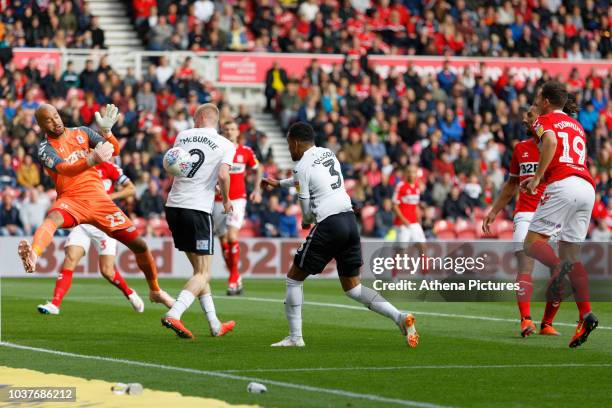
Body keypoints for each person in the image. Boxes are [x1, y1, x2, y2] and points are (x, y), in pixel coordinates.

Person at [261, 122, 419, 348]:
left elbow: (304, 201)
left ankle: (295, 338)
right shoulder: (328, 154)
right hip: (349, 221)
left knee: (294, 278)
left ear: (295, 143)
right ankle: (400, 317)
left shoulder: (301, 166)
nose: (289, 150)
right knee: (353, 287)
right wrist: (278, 183)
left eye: (289, 145)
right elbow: (307, 179)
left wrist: (306, 221)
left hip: (329, 224)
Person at [18, 103, 174, 309]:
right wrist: (91, 159)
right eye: (48, 119)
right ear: (40, 125)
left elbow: (114, 150)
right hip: (72, 200)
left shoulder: (82, 132)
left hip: (100, 201)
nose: (55, 121)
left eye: (56, 116)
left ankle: (155, 290)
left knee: (140, 246)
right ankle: (34, 254)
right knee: (53, 218)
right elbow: (65, 169)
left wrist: (108, 133)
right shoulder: (45, 149)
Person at [521, 82, 598, 348]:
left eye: (537, 97)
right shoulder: (577, 126)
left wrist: (538, 177)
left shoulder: (544, 120)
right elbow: (565, 156)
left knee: (531, 245)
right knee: (572, 256)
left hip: (563, 185)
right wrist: (538, 176)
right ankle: (585, 313)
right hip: (586, 187)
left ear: (544, 101)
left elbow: (552, 142)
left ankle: (557, 269)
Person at [483, 105, 563, 337]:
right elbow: (511, 185)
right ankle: (526, 320)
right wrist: (494, 211)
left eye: (530, 115)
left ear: (542, 118)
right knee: (525, 264)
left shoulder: (557, 147)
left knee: (560, 271)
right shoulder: (521, 148)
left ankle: (547, 323)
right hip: (526, 214)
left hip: (552, 214)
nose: (525, 119)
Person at [162, 103, 236, 339]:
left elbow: (175, 166)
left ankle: (215, 324)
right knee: (204, 273)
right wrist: (225, 200)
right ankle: (174, 313)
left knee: (198, 270)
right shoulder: (226, 145)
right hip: (197, 209)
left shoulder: (183, 136)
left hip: (174, 206)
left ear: (202, 117)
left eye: (195, 118)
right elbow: (224, 175)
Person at [37, 162, 144, 315]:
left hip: (104, 221)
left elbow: (131, 189)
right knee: (70, 258)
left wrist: (108, 197)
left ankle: (129, 293)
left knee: (107, 271)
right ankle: (55, 304)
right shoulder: (79, 164)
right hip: (83, 220)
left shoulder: (110, 167)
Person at [212, 120, 262, 295]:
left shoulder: (245, 151)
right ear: (222, 132)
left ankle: (232, 279)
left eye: (233, 129)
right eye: (226, 129)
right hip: (217, 200)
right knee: (223, 242)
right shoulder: (216, 151)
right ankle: (236, 277)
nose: (230, 132)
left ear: (237, 132)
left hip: (238, 199)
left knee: (233, 236)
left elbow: (258, 169)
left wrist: (257, 189)